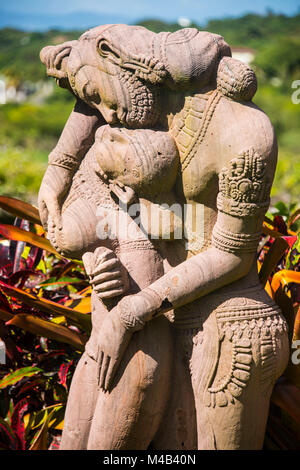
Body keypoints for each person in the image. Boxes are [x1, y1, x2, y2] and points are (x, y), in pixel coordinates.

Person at [38, 25, 289, 449]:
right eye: (94, 100)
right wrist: (57, 169)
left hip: (227, 327)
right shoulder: (141, 103)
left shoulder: (244, 136)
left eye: (102, 97)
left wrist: (131, 312)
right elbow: (88, 91)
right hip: (159, 316)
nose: (106, 115)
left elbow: (232, 257)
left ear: (116, 57)